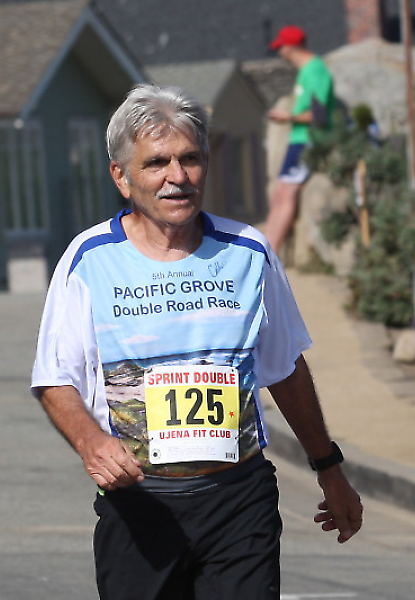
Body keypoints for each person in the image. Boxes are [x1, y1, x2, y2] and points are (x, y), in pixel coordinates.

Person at [31, 84, 362, 600]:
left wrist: (329, 469)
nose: (177, 177)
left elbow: (285, 369)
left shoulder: (248, 251)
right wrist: (90, 442)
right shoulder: (87, 259)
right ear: (121, 176)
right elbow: (55, 379)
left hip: (239, 502)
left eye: (189, 159)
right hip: (141, 506)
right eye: (156, 163)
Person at [264, 25, 335, 254]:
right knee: (279, 192)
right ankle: (263, 249)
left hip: (309, 140)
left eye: (281, 47)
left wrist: (288, 116)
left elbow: (319, 115)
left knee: (286, 192)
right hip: (299, 139)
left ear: (290, 47)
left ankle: (271, 254)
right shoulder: (306, 71)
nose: (280, 53)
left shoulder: (315, 71)